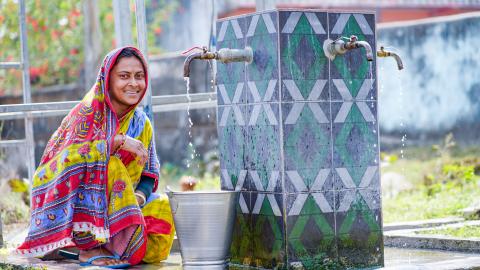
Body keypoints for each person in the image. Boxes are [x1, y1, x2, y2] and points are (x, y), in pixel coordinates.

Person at [17, 46, 175, 268]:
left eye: (139, 76)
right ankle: (87, 247)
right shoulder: (87, 114)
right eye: (124, 76)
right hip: (77, 204)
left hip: (125, 205)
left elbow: (149, 173)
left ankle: (115, 245)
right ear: (107, 80)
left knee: (164, 208)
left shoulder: (141, 123)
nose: (133, 83)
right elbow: (65, 161)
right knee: (111, 165)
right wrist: (117, 142)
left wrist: (136, 200)